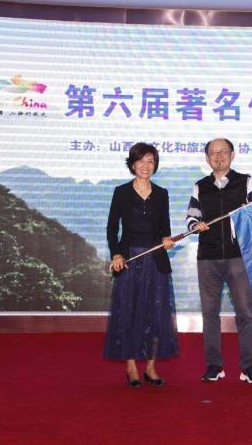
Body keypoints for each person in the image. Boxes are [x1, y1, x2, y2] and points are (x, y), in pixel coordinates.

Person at [186, 138, 252, 384]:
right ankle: (214, 365)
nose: (218, 156)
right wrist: (195, 225)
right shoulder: (200, 186)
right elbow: (191, 216)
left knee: (245, 313)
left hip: (239, 256)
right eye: (213, 153)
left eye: (223, 152)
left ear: (232, 155)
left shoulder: (246, 182)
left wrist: (247, 213)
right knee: (210, 313)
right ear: (207, 158)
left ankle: (249, 367)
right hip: (207, 257)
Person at [104, 142, 178, 387]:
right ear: (132, 164)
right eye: (141, 161)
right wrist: (116, 254)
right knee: (129, 313)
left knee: (156, 315)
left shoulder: (162, 193)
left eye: (150, 161)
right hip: (129, 261)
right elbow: (112, 228)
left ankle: (151, 368)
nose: (146, 166)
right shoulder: (121, 192)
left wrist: (167, 241)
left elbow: (165, 230)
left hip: (155, 262)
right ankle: (131, 367)